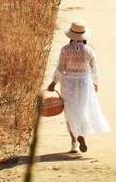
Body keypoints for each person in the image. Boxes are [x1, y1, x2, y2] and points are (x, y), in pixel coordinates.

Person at [47, 22, 110, 154]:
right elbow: (94, 68)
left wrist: (53, 82)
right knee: (82, 109)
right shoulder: (89, 50)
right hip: (84, 82)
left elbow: (60, 68)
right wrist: (95, 83)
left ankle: (74, 142)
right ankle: (82, 135)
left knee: (70, 112)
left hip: (68, 83)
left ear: (70, 34)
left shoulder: (65, 50)